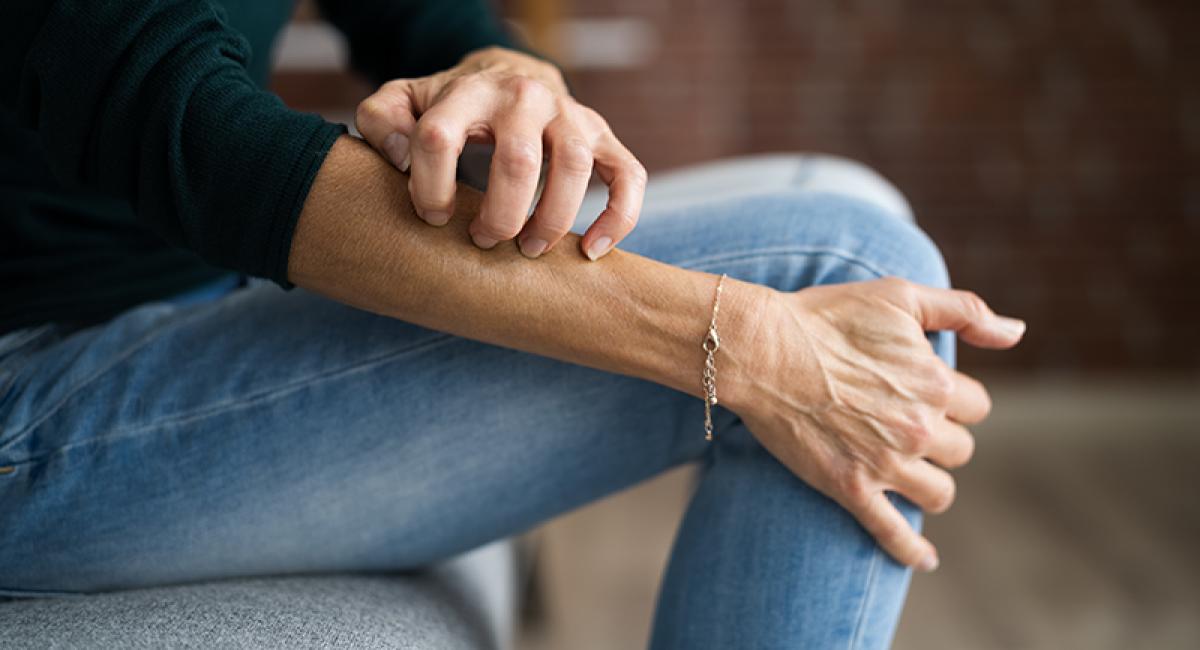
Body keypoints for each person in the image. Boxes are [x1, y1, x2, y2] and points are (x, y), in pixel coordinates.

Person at [0, 1, 1024, 647]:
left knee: (854, 222)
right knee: (849, 272)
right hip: (27, 394)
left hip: (192, 303)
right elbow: (198, 140)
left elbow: (418, 12)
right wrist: (746, 346)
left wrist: (508, 74)